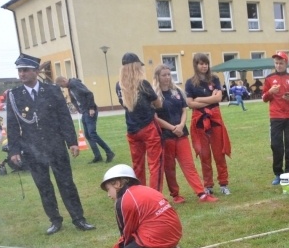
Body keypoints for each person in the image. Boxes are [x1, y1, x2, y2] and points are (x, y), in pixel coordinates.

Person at [6, 53, 95, 235]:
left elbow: (64, 118)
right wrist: (14, 150)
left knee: (66, 183)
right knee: (44, 186)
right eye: (20, 71)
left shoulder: (53, 90)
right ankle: (55, 220)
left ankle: (78, 218)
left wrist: (72, 142)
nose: (22, 74)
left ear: (36, 71)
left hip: (55, 145)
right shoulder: (14, 96)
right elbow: (12, 124)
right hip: (32, 148)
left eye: (25, 70)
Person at [97, 164, 183, 248]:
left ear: (117, 184)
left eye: (108, 189)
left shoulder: (123, 201)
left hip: (156, 240)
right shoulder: (145, 189)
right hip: (173, 234)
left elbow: (127, 235)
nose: (108, 195)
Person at [152, 64, 217, 204]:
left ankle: (201, 194)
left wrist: (181, 125)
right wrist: (172, 128)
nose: (167, 77)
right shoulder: (154, 96)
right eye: (164, 75)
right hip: (166, 136)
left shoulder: (177, 91)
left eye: (169, 74)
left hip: (181, 134)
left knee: (188, 164)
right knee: (169, 168)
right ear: (157, 77)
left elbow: (184, 109)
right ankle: (175, 194)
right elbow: (155, 118)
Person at [185, 53, 232, 195]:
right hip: (200, 122)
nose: (204, 66)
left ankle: (223, 184)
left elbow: (219, 97)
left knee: (219, 153)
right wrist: (210, 99)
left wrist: (199, 99)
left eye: (206, 63)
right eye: (201, 63)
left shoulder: (215, 79)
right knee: (205, 155)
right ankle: (208, 185)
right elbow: (189, 103)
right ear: (196, 65)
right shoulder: (190, 82)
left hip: (215, 120)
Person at [116, 52, 164, 191]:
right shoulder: (143, 84)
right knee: (155, 164)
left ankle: (139, 193)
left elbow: (126, 105)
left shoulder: (119, 86)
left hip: (132, 129)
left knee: (137, 165)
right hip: (148, 127)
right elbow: (158, 103)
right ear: (136, 67)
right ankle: (155, 195)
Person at [56, 76, 115, 163]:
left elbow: (89, 94)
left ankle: (109, 152)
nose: (62, 87)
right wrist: (79, 108)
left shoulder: (74, 84)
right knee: (87, 135)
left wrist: (91, 108)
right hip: (85, 111)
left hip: (90, 111)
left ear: (64, 80)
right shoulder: (70, 87)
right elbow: (74, 99)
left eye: (61, 85)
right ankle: (97, 156)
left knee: (92, 133)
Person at [262, 51, 289, 185]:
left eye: (281, 63)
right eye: (276, 63)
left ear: (286, 63)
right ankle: (278, 173)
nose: (278, 65)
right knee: (276, 146)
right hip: (275, 117)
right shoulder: (269, 79)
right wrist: (270, 92)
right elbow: (264, 98)